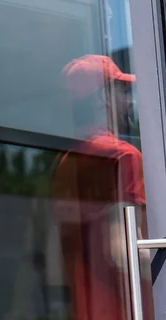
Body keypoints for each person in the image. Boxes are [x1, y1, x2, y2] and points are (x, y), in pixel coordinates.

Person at [52, 54, 153, 320]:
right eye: (122, 92)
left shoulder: (64, 163)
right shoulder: (123, 156)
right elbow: (124, 249)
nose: (129, 102)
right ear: (102, 98)